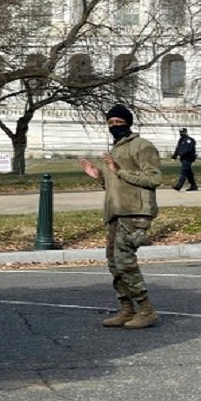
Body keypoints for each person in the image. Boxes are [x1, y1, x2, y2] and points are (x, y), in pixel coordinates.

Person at [79, 104, 162, 329]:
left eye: (119, 122)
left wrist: (120, 171)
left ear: (128, 122)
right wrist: (98, 176)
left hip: (135, 213)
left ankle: (146, 311)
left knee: (125, 261)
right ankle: (127, 309)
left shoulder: (142, 146)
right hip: (115, 213)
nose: (115, 126)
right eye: (111, 123)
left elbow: (154, 179)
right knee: (114, 263)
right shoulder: (115, 149)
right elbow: (114, 183)